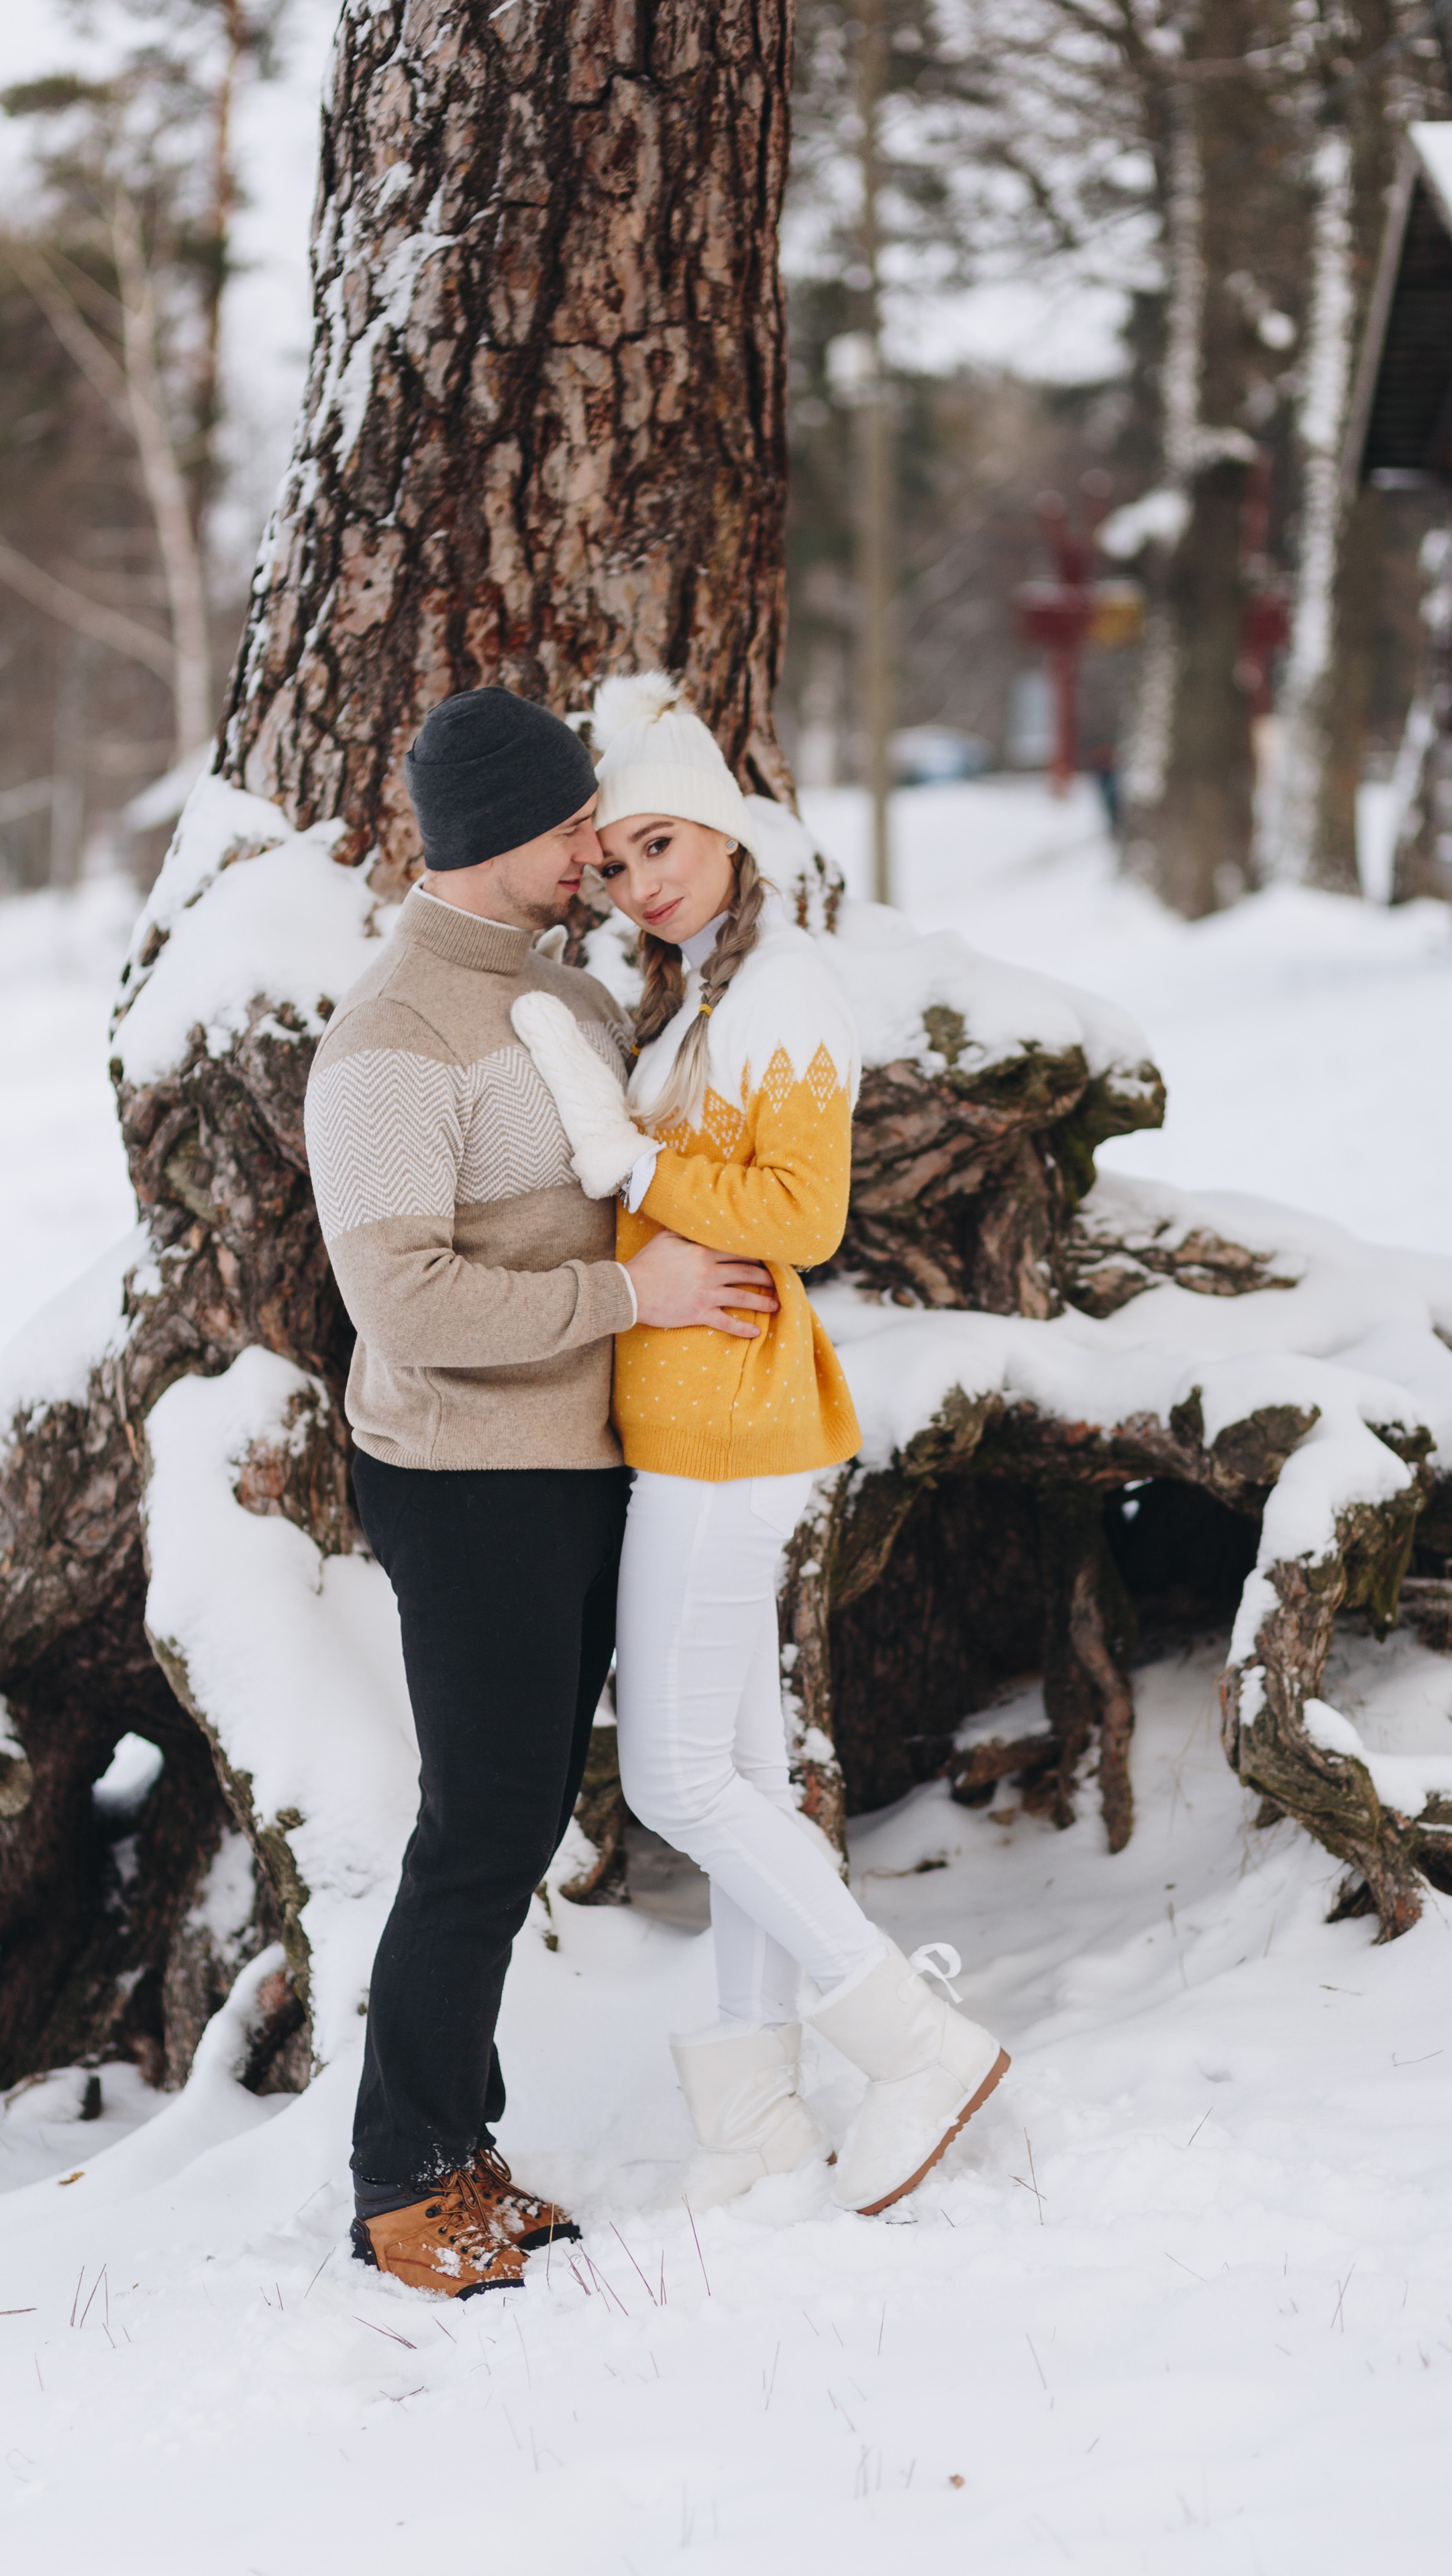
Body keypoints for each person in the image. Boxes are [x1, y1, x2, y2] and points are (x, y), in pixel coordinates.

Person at [511, 674, 1010, 2218]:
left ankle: (915, 2045)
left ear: (724, 833)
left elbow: (800, 1216)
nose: (639, 883)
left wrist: (623, 1155)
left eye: (660, 845)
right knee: (733, 1771)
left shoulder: (781, 986)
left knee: (674, 1779)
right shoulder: (699, 993)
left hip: (728, 1426)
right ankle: (755, 2117)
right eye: (615, 863)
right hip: (688, 1417)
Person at [304, 685, 780, 2298]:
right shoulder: (390, 1042)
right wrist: (633, 1302)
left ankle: (460, 2148)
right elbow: (405, 1303)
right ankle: (400, 2184)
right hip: (465, 1482)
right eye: (574, 823)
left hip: (579, 1469)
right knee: (480, 1832)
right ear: (500, 834)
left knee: (513, 1831)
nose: (597, 847)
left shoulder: (562, 994)